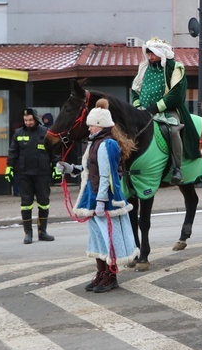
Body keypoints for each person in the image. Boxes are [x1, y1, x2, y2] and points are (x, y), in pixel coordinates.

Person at [56, 99, 140, 293]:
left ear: (100, 125)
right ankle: (101, 273)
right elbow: (89, 169)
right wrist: (71, 168)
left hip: (105, 200)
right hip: (93, 197)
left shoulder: (107, 145)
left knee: (108, 239)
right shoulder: (95, 143)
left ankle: (111, 276)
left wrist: (102, 201)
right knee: (98, 239)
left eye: (91, 125)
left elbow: (106, 176)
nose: (89, 128)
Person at [130, 36, 199, 185]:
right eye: (148, 53)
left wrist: (156, 107)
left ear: (161, 54)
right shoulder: (144, 67)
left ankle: (177, 169)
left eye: (153, 53)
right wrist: (137, 106)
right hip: (143, 111)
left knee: (173, 131)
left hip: (167, 110)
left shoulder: (175, 67)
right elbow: (135, 89)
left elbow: (176, 93)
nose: (150, 56)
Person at [5, 108, 61, 244]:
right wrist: (9, 167)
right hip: (24, 175)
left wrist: (56, 168)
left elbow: (54, 152)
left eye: (30, 120)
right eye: (26, 120)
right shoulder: (18, 133)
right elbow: (13, 152)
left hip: (42, 174)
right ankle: (28, 233)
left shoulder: (46, 132)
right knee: (26, 205)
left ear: (35, 119)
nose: (28, 122)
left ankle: (42, 232)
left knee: (44, 204)